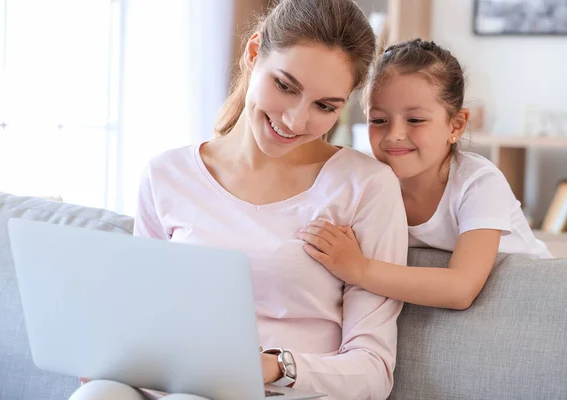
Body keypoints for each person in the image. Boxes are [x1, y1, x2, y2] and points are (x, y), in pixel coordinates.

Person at [70, 1, 409, 400]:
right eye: (285, 86)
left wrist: (273, 366)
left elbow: (373, 370)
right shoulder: (167, 175)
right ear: (253, 53)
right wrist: (113, 355)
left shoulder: (366, 186)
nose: (296, 121)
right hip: (177, 384)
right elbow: (145, 316)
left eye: (324, 106)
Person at [299, 38, 552, 313]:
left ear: (455, 125)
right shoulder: (372, 182)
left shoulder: (478, 183)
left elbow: (461, 288)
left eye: (415, 120)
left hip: (537, 305)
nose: (394, 134)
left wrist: (359, 269)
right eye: (379, 120)